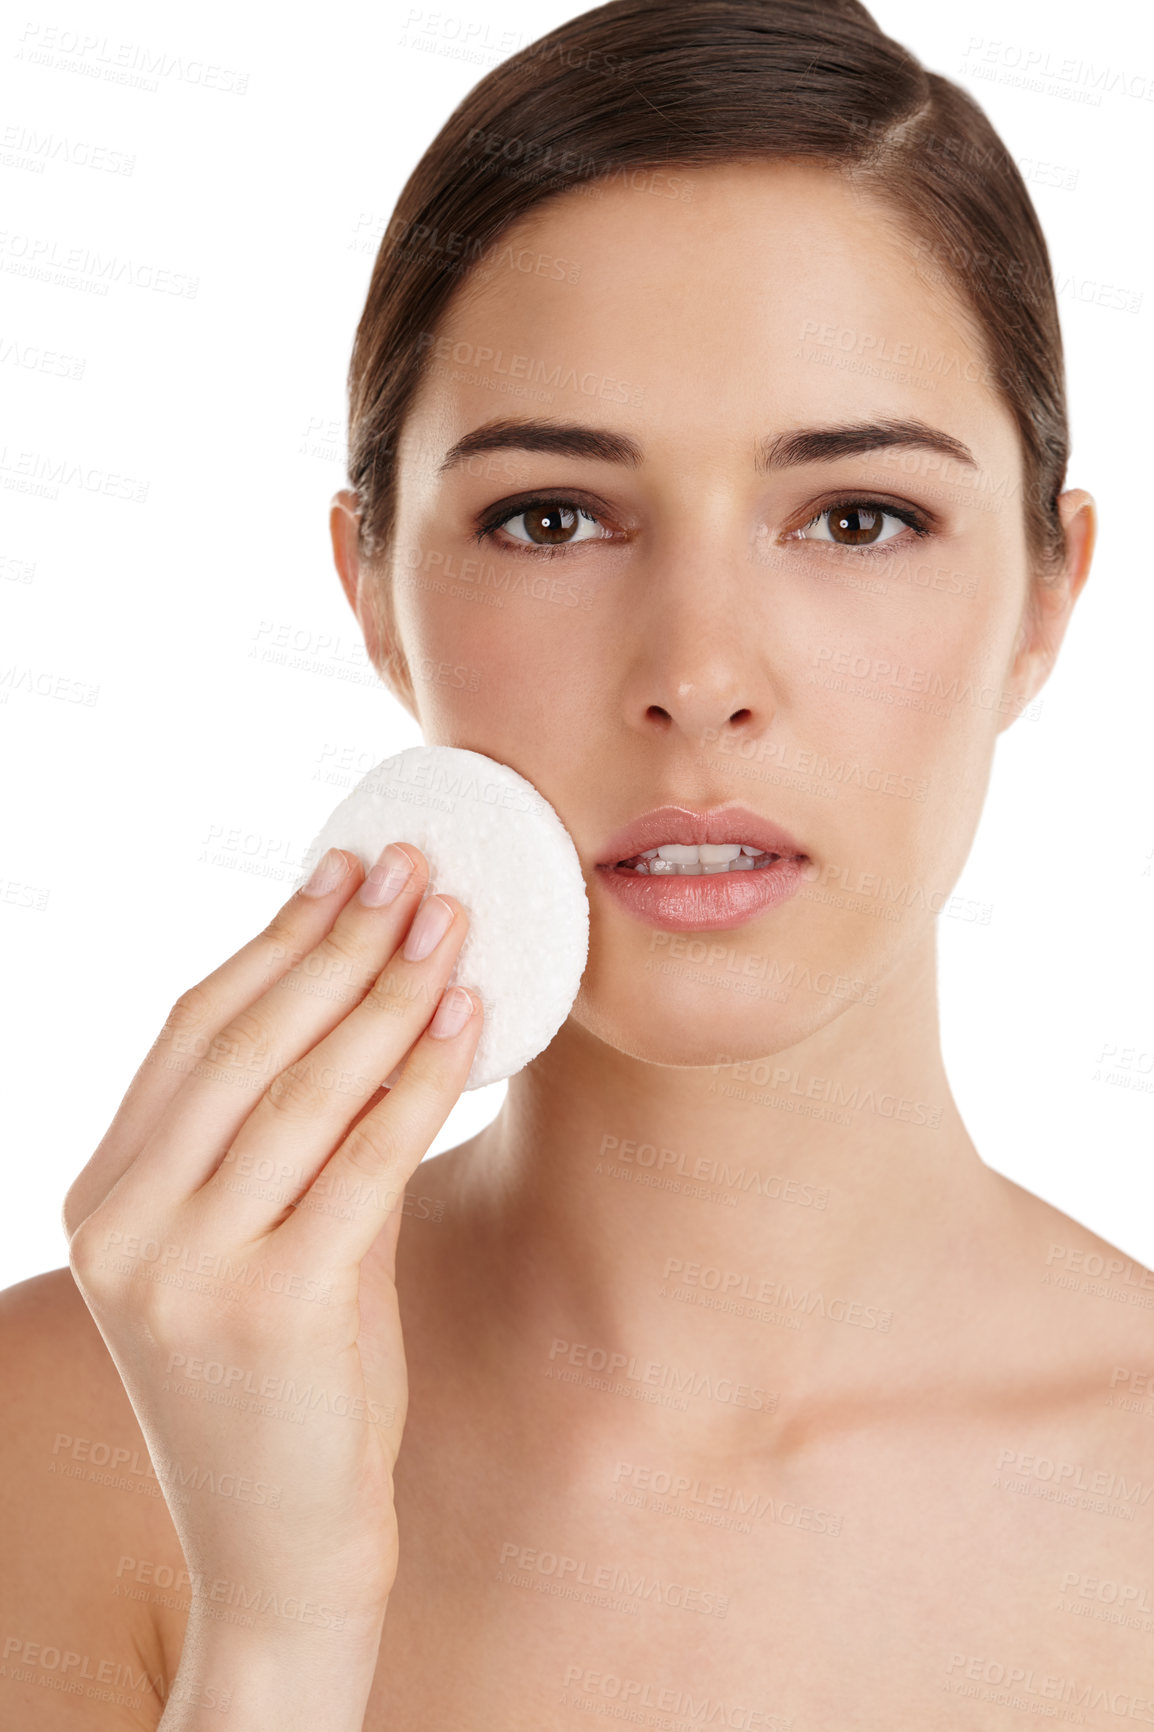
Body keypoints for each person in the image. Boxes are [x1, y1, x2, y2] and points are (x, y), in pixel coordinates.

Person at [3, 0, 1150, 1725]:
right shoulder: (61, 1441)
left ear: (1045, 597)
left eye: (855, 518)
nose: (698, 671)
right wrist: (281, 1620)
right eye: (551, 516)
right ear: (373, 590)